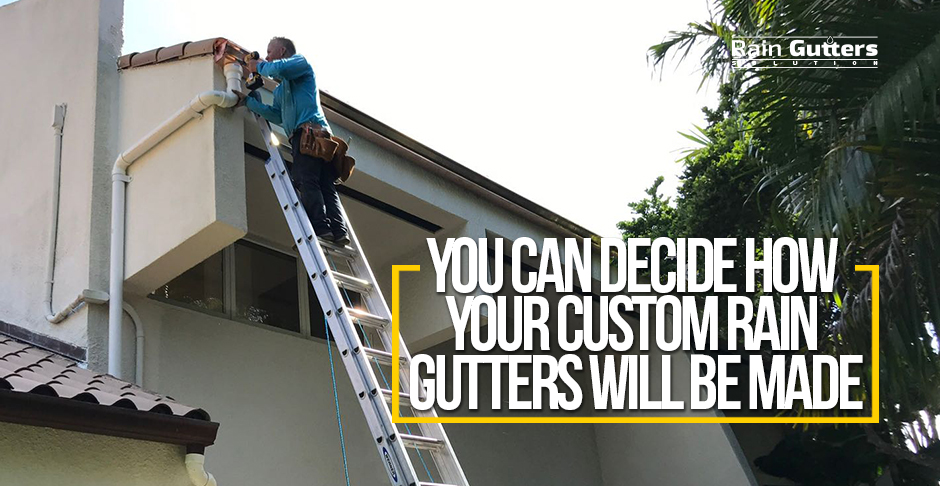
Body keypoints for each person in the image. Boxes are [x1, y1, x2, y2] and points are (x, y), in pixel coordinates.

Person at [245, 37, 349, 245]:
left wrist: (259, 66)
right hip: (310, 135)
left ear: (282, 51)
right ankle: (338, 231)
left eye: (270, 52)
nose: (267, 56)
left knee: (306, 180)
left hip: (310, 135)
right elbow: (277, 115)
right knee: (324, 185)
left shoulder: (301, 63)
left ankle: (322, 228)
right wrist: (249, 102)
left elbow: (280, 68)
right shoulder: (281, 90)